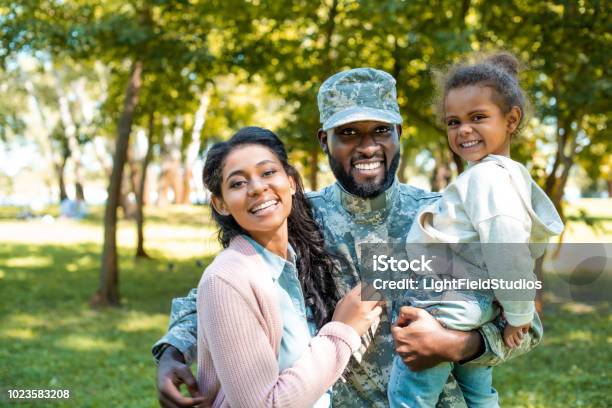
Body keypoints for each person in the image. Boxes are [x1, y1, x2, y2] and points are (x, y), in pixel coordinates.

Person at [153, 68, 544, 408]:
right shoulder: (297, 218)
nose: (368, 145)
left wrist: (455, 345)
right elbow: (223, 293)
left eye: (380, 131)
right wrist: (172, 351)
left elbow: (526, 322)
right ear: (325, 140)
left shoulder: (444, 217)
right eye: (349, 133)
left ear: (399, 134)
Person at [388, 53, 564, 407]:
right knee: (480, 392)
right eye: (453, 122)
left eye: (478, 117)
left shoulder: (487, 179)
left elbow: (507, 250)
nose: (463, 130)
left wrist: (518, 316)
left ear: (511, 119)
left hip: (450, 302)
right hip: (476, 305)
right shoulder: (506, 176)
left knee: (410, 395)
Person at [194, 126, 383, 407]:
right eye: (237, 183)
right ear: (220, 203)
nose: (257, 187)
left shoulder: (297, 258)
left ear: (291, 181)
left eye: (268, 172)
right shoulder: (227, 279)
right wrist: (343, 331)